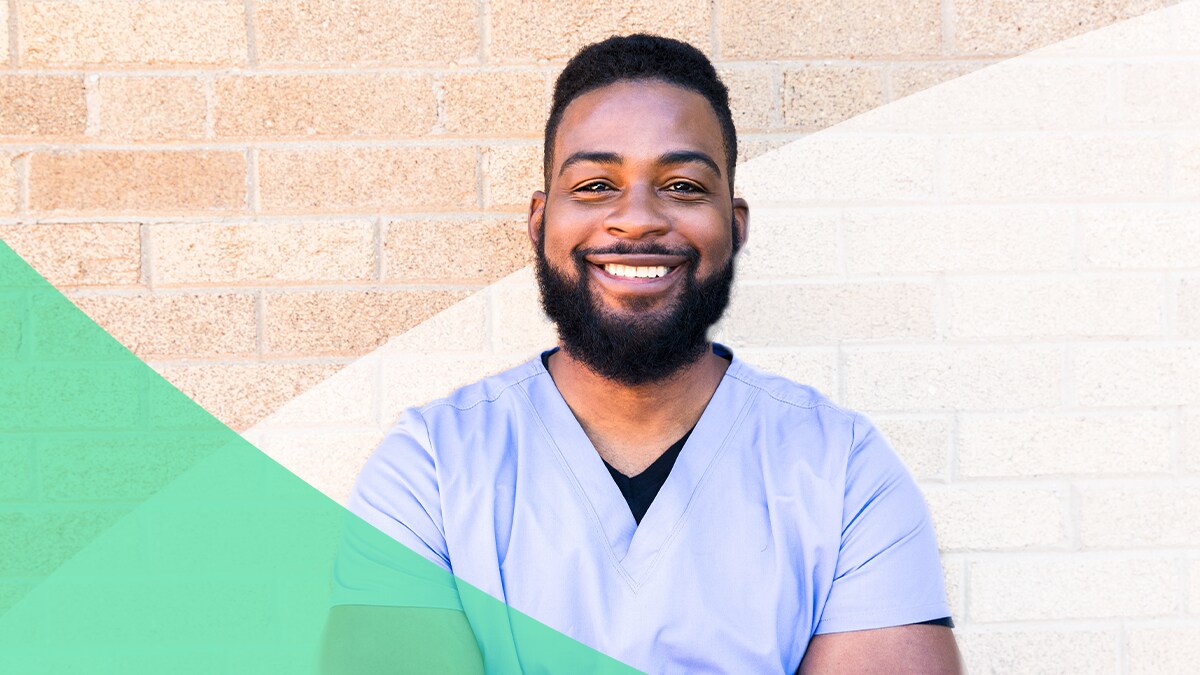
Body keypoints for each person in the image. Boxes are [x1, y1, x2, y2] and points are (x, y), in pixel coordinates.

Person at [321, 34, 962, 674]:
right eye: (597, 184)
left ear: (734, 224)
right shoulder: (432, 464)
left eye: (682, 186)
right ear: (540, 220)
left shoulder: (842, 469)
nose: (636, 219)